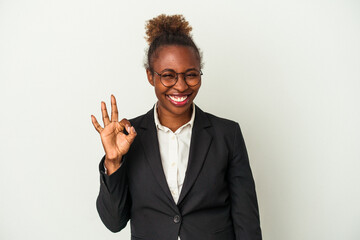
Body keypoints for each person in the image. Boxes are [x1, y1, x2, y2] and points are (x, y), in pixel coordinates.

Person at [91, 14, 262, 240]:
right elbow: (114, 222)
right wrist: (113, 161)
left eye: (191, 75)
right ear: (150, 76)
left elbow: (247, 223)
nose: (181, 86)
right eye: (168, 76)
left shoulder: (227, 135)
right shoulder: (127, 136)